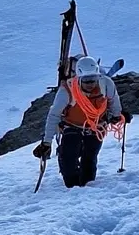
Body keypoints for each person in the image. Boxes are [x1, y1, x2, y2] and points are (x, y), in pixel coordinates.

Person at [34, 55, 127, 187]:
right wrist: (47, 142)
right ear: (78, 78)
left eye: (93, 79)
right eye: (86, 80)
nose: (90, 83)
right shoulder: (67, 90)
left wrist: (117, 115)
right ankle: (73, 187)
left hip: (96, 127)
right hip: (72, 126)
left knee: (89, 158)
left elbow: (113, 101)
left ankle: (87, 187)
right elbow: (54, 115)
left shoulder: (106, 84)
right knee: (69, 158)